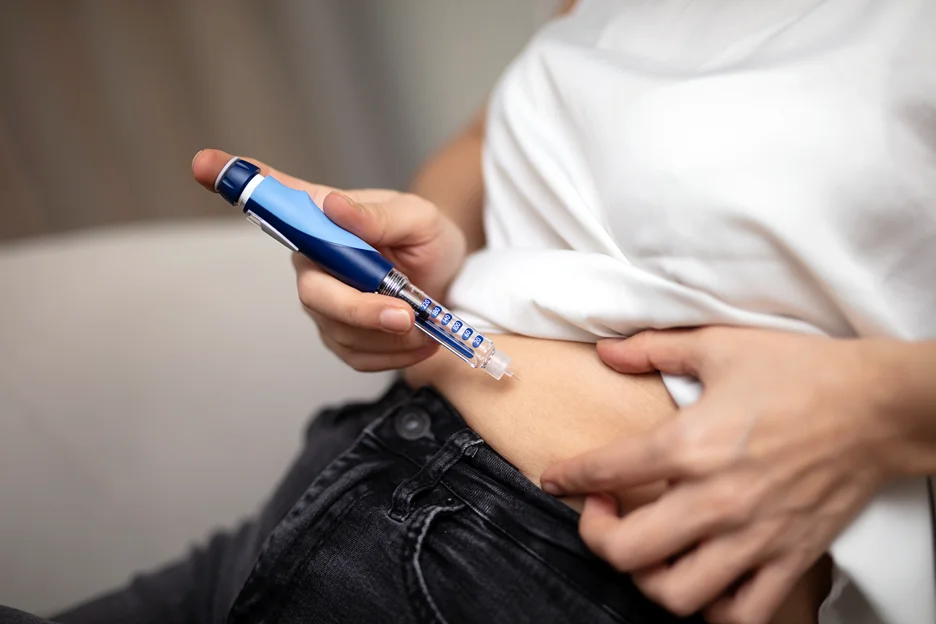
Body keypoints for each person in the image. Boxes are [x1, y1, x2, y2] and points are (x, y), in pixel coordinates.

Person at [3, 1, 934, 623]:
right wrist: (428, 246)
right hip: (361, 469)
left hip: (536, 565)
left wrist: (883, 409)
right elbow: (499, 133)